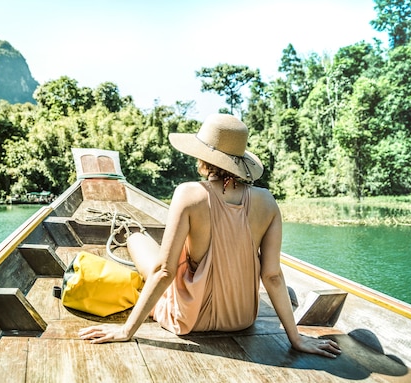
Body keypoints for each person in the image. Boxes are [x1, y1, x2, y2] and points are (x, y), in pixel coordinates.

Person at [79, 113, 341, 358]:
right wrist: (295, 337)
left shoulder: (189, 193)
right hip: (242, 318)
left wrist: (126, 331)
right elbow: (272, 275)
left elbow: (164, 272)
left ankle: (132, 234)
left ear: (204, 159)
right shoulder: (267, 201)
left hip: (189, 318)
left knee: (139, 241)